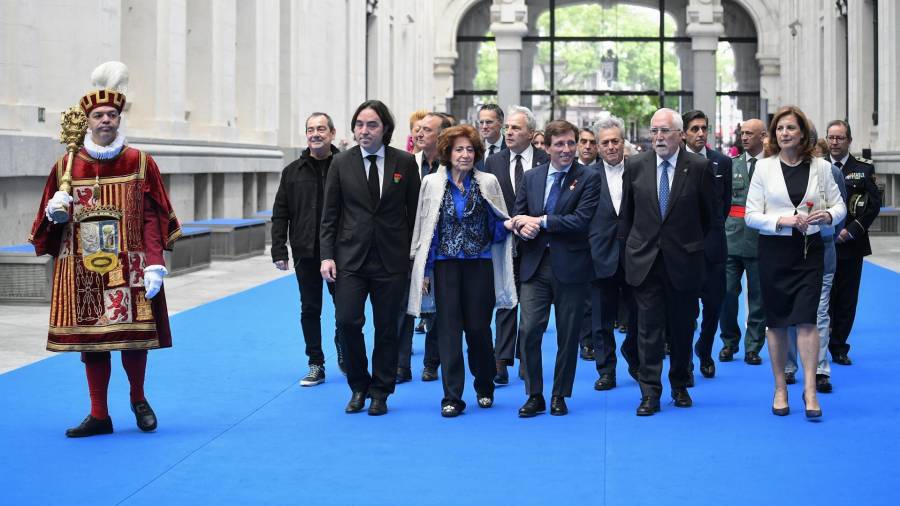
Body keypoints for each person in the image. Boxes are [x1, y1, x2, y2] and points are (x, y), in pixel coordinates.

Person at [29, 62, 181, 437]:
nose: (106, 120)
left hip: (130, 265)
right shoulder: (66, 165)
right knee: (92, 342)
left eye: (112, 114)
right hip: (82, 268)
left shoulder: (140, 162)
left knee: (132, 336)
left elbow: (153, 216)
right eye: (98, 115)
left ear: (119, 118)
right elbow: (47, 227)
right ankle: (99, 414)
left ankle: (138, 398)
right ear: (88, 120)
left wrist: (155, 263)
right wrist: (55, 213)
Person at [407, 124, 517, 417]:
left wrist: (508, 224)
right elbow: (427, 229)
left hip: (479, 264)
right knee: (448, 331)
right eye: (459, 149)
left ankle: (484, 385)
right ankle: (452, 396)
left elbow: (496, 224)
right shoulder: (431, 183)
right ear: (447, 152)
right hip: (445, 266)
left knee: (479, 329)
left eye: (470, 149)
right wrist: (425, 271)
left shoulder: (488, 181)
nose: (465, 155)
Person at [319, 100, 421, 416]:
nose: (364, 131)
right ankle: (359, 385)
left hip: (392, 259)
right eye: (360, 124)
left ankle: (380, 391)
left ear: (385, 129)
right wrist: (327, 256)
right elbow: (330, 214)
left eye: (372, 124)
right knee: (347, 322)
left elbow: (416, 212)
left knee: (388, 327)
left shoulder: (404, 163)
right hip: (350, 258)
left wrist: (415, 258)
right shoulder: (341, 164)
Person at [745, 105, 846, 418]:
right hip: (774, 252)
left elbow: (840, 205)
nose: (784, 133)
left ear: (803, 132)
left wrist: (829, 215)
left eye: (790, 128)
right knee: (775, 323)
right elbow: (751, 215)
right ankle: (779, 387)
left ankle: (810, 390)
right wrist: (784, 221)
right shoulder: (763, 168)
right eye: (779, 129)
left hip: (809, 251)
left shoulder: (821, 167)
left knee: (807, 320)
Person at [620, 108, 717, 416]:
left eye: (665, 132)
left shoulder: (699, 167)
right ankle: (650, 392)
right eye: (655, 131)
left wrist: (692, 246)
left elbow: (709, 217)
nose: (659, 137)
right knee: (648, 330)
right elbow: (627, 217)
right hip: (645, 261)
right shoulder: (635, 165)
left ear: (680, 135)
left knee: (681, 328)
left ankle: (679, 384)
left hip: (684, 261)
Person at [511, 120, 601, 417]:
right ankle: (534, 394)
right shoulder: (532, 176)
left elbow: (582, 219)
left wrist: (543, 221)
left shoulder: (588, 178)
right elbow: (518, 213)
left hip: (571, 267)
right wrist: (521, 227)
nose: (566, 150)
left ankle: (559, 394)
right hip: (535, 266)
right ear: (546, 147)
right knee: (529, 330)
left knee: (568, 335)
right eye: (559, 144)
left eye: (571, 143)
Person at [272, 112, 342, 387]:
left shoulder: (346, 166)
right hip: (305, 251)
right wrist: (279, 249)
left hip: (340, 253)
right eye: (311, 129)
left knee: (345, 309)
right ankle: (315, 363)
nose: (315, 134)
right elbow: (281, 213)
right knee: (310, 309)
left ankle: (344, 346)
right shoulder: (292, 172)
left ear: (332, 133)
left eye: (321, 129)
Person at [481, 106, 549, 384]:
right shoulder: (493, 162)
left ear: (531, 134)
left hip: (537, 241)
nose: (509, 132)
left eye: (516, 128)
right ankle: (501, 360)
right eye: (507, 127)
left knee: (531, 305)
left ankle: (525, 358)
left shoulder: (546, 160)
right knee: (505, 299)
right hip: (504, 241)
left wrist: (532, 223)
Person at [396, 112, 452, 383]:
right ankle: (400, 365)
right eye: (417, 130)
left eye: (427, 130)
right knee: (402, 306)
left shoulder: (452, 166)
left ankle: (431, 362)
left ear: (441, 136)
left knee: (439, 310)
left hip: (442, 248)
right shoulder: (406, 163)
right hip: (407, 246)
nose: (419, 134)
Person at [785, 156, 847, 392]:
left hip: (822, 247)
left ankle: (821, 369)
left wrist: (827, 227)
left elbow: (840, 211)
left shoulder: (830, 172)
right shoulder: (778, 171)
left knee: (820, 312)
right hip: (788, 250)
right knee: (790, 310)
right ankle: (789, 366)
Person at [586, 116, 639, 391]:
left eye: (615, 141)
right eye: (604, 142)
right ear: (597, 146)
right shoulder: (586, 176)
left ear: (623, 142)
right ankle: (606, 370)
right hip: (600, 256)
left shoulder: (638, 171)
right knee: (602, 319)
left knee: (637, 315)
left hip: (635, 256)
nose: (610, 147)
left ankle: (633, 357)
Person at [681, 109, 733, 379]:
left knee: (714, 305)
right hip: (684, 249)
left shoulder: (722, 163)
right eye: (695, 129)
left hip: (714, 247)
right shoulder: (676, 162)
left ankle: (705, 347)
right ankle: (686, 361)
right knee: (687, 309)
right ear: (684, 133)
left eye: (704, 128)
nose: (701, 133)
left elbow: (722, 206)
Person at [826, 120, 881, 366]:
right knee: (822, 297)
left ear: (849, 140)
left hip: (850, 244)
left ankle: (839, 346)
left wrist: (851, 231)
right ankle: (818, 343)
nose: (835, 142)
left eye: (839, 137)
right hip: (822, 243)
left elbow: (872, 206)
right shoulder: (817, 167)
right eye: (831, 137)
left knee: (847, 298)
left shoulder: (864, 169)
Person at [719, 119, 767, 365]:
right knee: (726, 293)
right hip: (731, 239)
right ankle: (729, 342)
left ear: (763, 136)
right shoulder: (731, 165)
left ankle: (753, 347)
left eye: (750, 133)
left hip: (761, 241)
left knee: (758, 298)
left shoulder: (772, 167)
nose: (745, 137)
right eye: (742, 133)